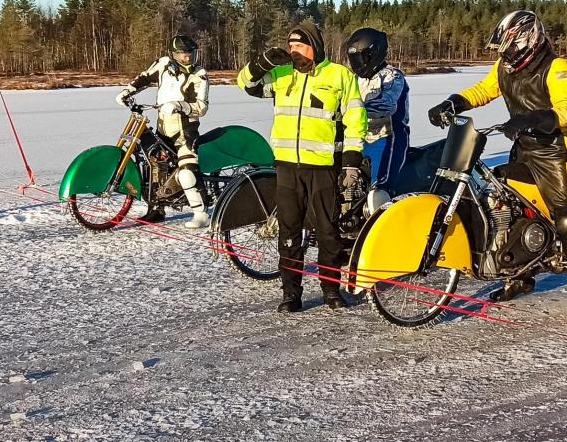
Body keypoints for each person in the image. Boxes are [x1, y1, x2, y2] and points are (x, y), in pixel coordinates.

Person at [427, 10, 567, 320]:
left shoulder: (555, 67)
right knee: (505, 202)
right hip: (523, 146)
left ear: (527, 41)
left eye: (509, 49)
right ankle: (520, 275)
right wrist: (453, 102)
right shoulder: (504, 67)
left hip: (555, 151)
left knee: (564, 216)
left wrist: (535, 119)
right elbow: (484, 90)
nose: (505, 55)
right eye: (502, 51)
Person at [237, 21, 368, 313]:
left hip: (322, 167)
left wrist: (351, 162)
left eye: (300, 46)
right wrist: (262, 63)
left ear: (315, 47)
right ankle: (291, 294)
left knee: (327, 232)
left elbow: (356, 121)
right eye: (291, 46)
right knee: (289, 233)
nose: (294, 51)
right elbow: (246, 83)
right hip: (287, 166)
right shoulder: (282, 74)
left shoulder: (340, 76)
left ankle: (331, 290)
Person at [116, 34, 211, 228]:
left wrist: (179, 105)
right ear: (175, 54)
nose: (189, 58)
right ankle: (156, 210)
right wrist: (128, 91)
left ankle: (200, 213)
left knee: (186, 171)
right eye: (184, 54)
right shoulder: (163, 65)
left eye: (191, 54)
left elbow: (201, 107)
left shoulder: (199, 74)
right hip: (163, 126)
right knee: (154, 167)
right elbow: (144, 77)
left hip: (185, 131)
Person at [345, 27, 410, 213]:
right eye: (354, 58)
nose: (358, 64)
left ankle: (385, 229)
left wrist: (352, 111)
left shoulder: (392, 76)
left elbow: (386, 105)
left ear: (374, 54)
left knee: (379, 190)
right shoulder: (354, 80)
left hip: (388, 138)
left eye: (361, 58)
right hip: (359, 139)